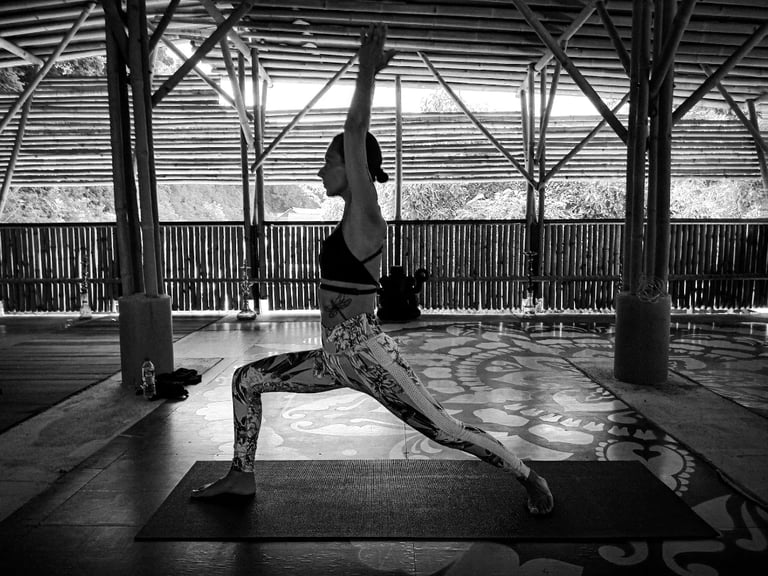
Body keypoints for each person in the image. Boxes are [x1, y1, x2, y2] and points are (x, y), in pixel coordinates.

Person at [192, 23, 554, 516]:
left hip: (368, 354)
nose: (320, 170)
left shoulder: (367, 218)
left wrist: (365, 71)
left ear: (353, 166)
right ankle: (241, 476)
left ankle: (528, 476)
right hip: (333, 357)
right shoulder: (349, 219)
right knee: (245, 379)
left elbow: (354, 132)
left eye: (328, 162)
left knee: (446, 431)